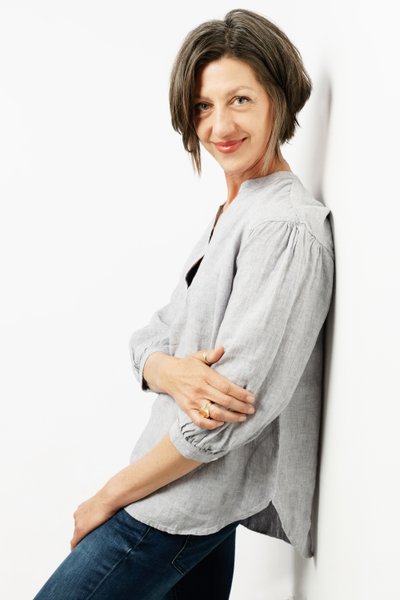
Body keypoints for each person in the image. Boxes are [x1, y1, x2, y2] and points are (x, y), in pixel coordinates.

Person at [33, 8, 335, 599]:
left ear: (278, 98)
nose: (218, 124)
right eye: (203, 105)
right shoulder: (235, 211)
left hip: (172, 509)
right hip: (191, 502)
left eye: (240, 100)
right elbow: (155, 333)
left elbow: (220, 420)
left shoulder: (284, 227)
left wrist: (107, 497)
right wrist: (167, 368)